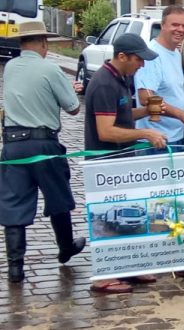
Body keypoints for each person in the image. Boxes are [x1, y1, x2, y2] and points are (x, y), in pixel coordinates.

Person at [0, 21, 85, 283]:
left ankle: (16, 267)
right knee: (58, 196)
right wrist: (72, 90)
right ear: (43, 43)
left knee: (13, 204)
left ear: (22, 43)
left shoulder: (10, 67)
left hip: (13, 144)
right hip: (44, 143)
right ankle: (65, 247)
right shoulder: (51, 68)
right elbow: (73, 108)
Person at [83, 34, 166, 293]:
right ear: (122, 57)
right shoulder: (105, 83)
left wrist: (147, 112)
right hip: (105, 163)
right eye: (138, 59)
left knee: (129, 213)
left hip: (121, 161)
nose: (141, 64)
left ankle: (130, 267)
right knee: (107, 219)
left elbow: (122, 115)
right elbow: (106, 131)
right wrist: (145, 133)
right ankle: (103, 277)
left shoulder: (122, 79)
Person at [135, 5, 184, 146]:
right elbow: (145, 98)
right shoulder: (152, 55)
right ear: (162, 25)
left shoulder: (176, 53)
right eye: (175, 25)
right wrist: (181, 114)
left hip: (175, 137)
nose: (180, 30)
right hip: (155, 140)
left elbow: (172, 94)